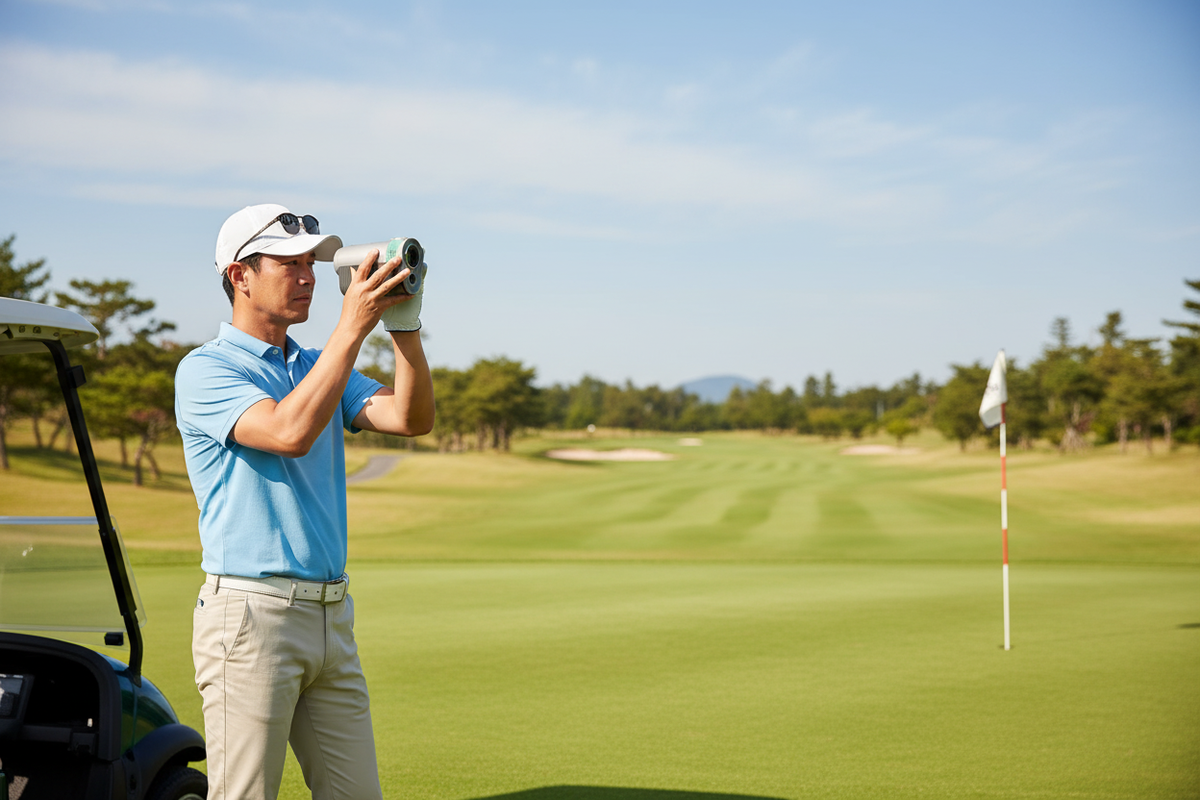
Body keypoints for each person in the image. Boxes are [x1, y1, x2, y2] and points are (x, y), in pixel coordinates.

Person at [175, 203, 434, 800]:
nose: (308, 277)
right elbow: (288, 433)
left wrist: (405, 330)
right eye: (289, 264)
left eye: (310, 264)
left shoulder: (316, 365)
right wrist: (351, 327)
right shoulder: (206, 370)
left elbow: (409, 417)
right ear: (240, 274)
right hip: (251, 615)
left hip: (331, 618)